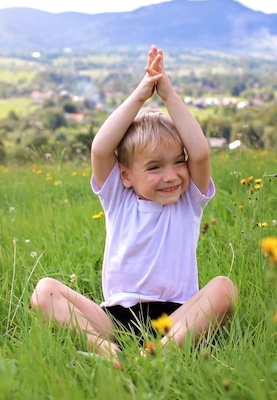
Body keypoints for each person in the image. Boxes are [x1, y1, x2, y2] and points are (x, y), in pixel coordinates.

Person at [31, 45, 238, 365]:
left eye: (177, 162)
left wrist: (168, 95)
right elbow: (101, 149)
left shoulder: (188, 202)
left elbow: (200, 154)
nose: (171, 176)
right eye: (154, 167)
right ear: (125, 175)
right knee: (44, 291)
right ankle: (103, 347)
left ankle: (158, 354)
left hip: (175, 319)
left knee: (224, 289)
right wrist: (141, 95)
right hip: (115, 320)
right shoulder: (118, 198)